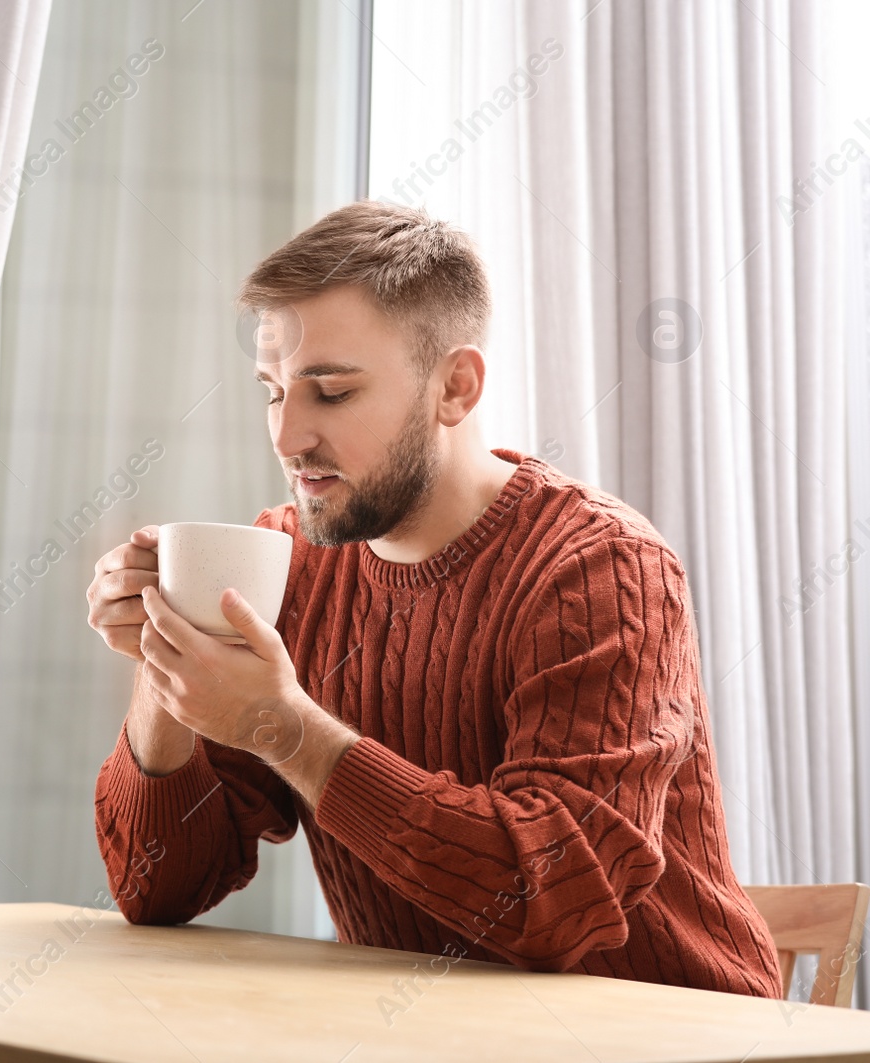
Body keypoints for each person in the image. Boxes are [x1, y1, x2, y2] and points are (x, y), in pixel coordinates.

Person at [84, 200, 782, 998]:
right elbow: (154, 886)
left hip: (678, 1038)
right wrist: (167, 658)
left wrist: (284, 727)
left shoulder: (602, 570)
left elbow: (551, 896)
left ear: (455, 386)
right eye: (272, 391)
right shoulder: (291, 567)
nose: (285, 436)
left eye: (332, 392)